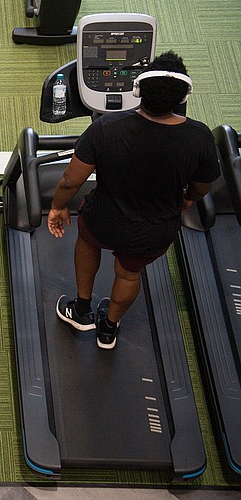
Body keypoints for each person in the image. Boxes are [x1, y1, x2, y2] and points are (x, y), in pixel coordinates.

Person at [47, 51, 219, 349]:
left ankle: (82, 309)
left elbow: (70, 180)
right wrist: (188, 200)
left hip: (105, 219)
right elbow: (201, 188)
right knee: (129, 274)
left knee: (88, 244)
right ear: (182, 96)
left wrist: (58, 206)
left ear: (138, 89)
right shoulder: (200, 137)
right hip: (154, 230)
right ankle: (108, 328)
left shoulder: (106, 128)